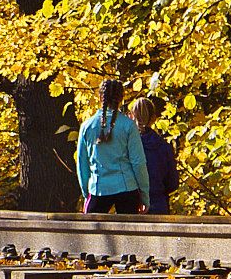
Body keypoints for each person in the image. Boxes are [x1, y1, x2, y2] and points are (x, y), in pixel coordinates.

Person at [76, 78, 150, 214]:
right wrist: (144, 195)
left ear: (100, 97)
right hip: (126, 188)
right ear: (121, 98)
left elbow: (82, 164)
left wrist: (86, 193)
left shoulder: (87, 126)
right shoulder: (128, 126)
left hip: (98, 188)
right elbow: (138, 163)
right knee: (129, 234)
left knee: (93, 234)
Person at [129, 97, 179, 214]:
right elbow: (173, 182)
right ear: (153, 118)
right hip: (159, 203)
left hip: (133, 203)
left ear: (131, 116)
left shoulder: (127, 146)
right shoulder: (164, 147)